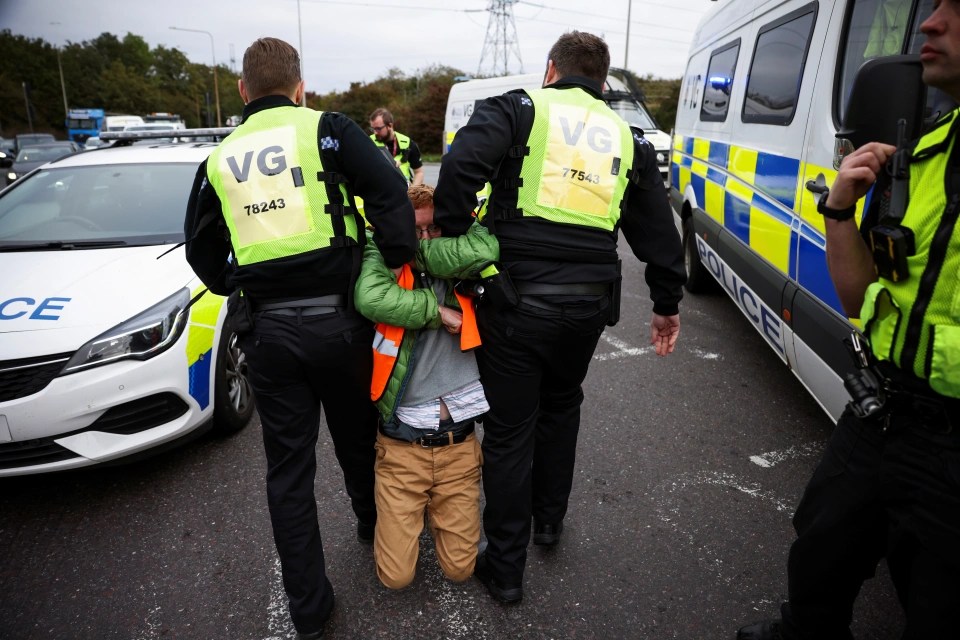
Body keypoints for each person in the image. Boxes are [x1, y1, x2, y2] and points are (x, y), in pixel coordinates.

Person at [432, 30, 686, 604]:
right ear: (603, 82)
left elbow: (458, 174)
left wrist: (461, 242)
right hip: (589, 306)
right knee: (562, 405)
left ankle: (506, 568)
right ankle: (548, 522)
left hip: (516, 302)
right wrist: (666, 303)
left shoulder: (518, 109)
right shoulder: (629, 138)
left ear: (550, 70)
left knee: (509, 430)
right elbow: (656, 233)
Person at [737, 3, 960, 639]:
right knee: (820, 553)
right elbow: (862, 300)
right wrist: (838, 211)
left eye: (953, 9)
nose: (929, 24)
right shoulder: (922, 156)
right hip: (883, 411)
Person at [183, 37, 416, 640]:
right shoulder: (328, 129)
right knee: (358, 440)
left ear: (241, 91)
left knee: (289, 471)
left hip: (267, 333)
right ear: (300, 86)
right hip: (339, 325)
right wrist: (393, 259)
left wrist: (235, 281)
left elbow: (200, 247)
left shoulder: (219, 156)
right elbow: (390, 190)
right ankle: (371, 528)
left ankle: (309, 611)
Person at [354, 183, 498, 589]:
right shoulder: (383, 258)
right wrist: (439, 313)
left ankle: (437, 517)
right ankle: (406, 517)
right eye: (414, 232)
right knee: (396, 578)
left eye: (433, 229)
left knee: (460, 570)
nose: (424, 238)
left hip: (459, 450)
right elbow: (370, 298)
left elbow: (484, 249)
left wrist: (428, 253)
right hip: (402, 451)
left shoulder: (463, 259)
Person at [369, 107, 425, 185]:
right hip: (379, 193)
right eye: (373, 129)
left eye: (378, 129)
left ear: (390, 126)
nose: (375, 132)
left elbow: (419, 172)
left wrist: (413, 192)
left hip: (403, 192)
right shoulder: (369, 142)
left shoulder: (408, 143)